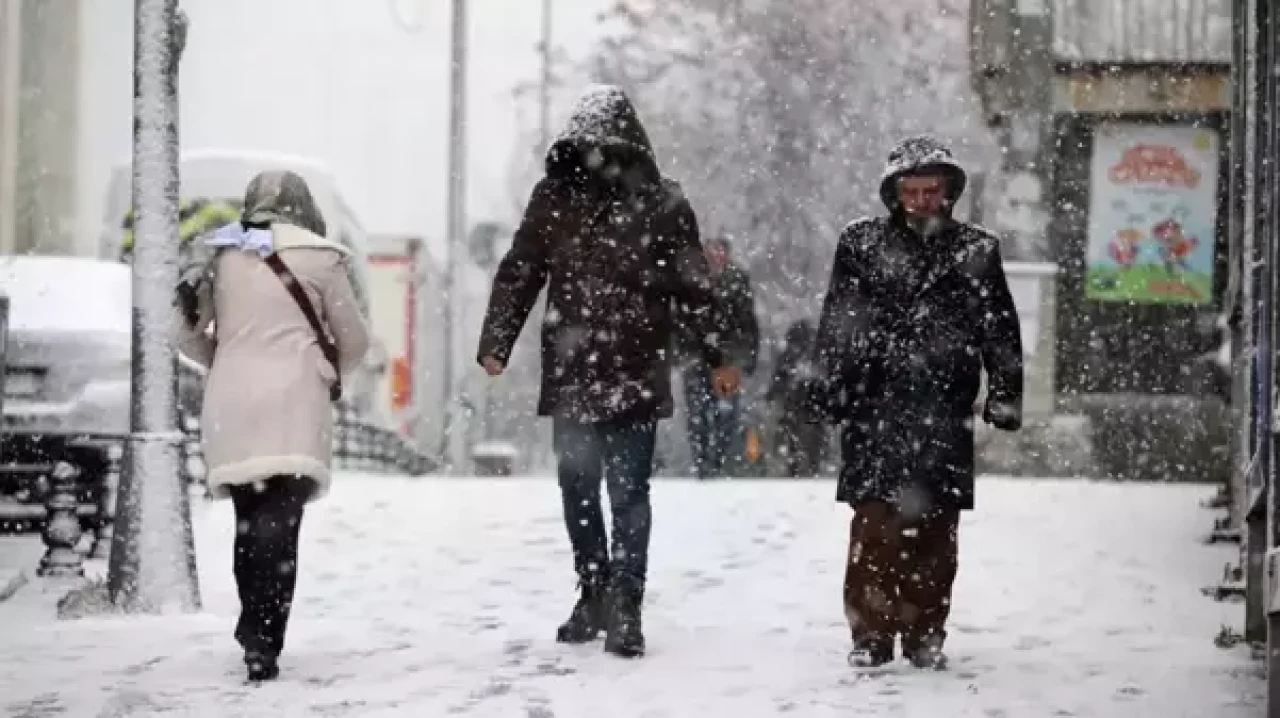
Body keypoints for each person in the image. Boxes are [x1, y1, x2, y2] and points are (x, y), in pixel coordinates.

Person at [476, 85, 740, 658]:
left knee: (628, 492)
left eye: (606, 147)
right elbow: (521, 270)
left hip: (636, 368)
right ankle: (593, 589)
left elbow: (693, 286)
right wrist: (497, 340)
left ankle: (626, 604)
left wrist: (719, 354)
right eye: (588, 146)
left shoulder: (663, 204)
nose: (597, 158)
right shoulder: (553, 199)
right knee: (577, 488)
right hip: (573, 370)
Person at [812, 135, 1023, 670]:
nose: (923, 201)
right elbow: (838, 320)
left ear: (948, 191)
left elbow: (999, 325)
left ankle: (926, 632)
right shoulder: (860, 244)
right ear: (895, 192)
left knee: (936, 528)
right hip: (874, 403)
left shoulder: (975, 249)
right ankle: (871, 635)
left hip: (944, 406)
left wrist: (1004, 392)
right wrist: (829, 388)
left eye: (932, 190)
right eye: (912, 191)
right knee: (874, 523)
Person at [173, 170, 371, 681]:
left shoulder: (220, 255)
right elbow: (354, 339)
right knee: (281, 524)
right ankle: (264, 636)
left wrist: (227, 358)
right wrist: (326, 368)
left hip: (234, 402)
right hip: (295, 403)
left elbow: (184, 333)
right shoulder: (322, 258)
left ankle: (254, 626)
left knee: (249, 518)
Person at [675, 236, 760, 478]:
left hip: (726, 359)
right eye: (710, 252)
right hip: (696, 357)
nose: (715, 257)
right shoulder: (690, 281)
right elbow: (679, 320)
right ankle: (703, 462)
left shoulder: (736, 281)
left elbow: (747, 322)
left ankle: (717, 461)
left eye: (719, 252)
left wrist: (747, 357)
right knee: (697, 412)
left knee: (725, 413)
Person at [765, 319, 825, 477]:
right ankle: (810, 463)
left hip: (797, 400)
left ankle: (797, 463)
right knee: (811, 432)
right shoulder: (815, 354)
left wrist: (773, 393)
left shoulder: (791, 355)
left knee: (793, 430)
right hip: (808, 400)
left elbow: (779, 378)